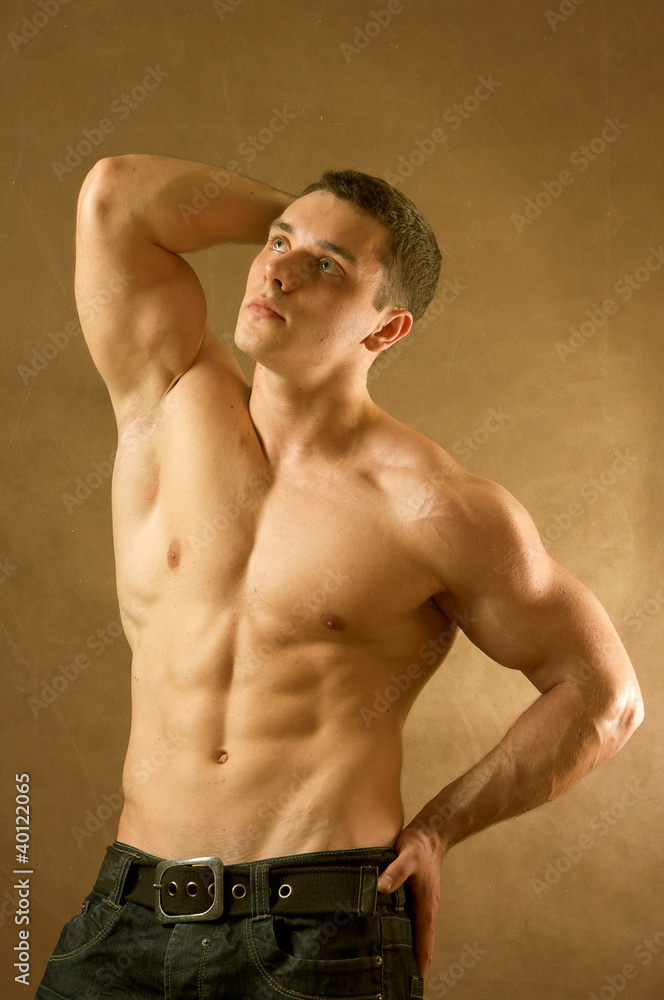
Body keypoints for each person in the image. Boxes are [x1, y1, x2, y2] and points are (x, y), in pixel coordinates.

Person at [36, 155, 643, 1000]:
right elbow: (114, 197)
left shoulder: (432, 505)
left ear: (385, 328)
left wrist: (438, 829)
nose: (277, 267)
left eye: (325, 266)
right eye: (278, 243)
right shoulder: (165, 395)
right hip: (127, 919)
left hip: (319, 941)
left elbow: (602, 692)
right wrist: (319, 221)